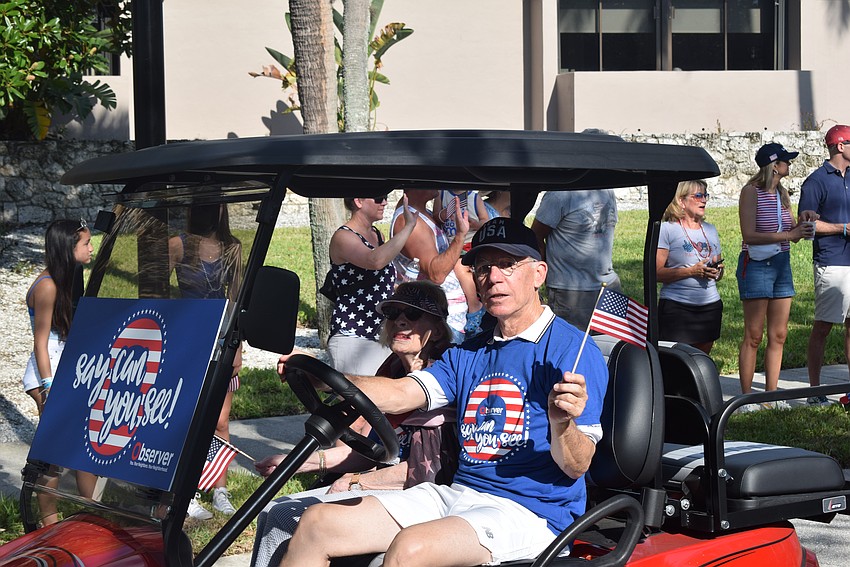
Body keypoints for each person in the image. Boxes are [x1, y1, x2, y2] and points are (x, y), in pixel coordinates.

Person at [279, 217, 608, 567]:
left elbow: (577, 465)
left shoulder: (570, 352)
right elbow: (403, 393)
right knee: (317, 523)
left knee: (412, 549)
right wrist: (327, 377)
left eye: (508, 265)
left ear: (539, 273)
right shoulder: (470, 351)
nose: (493, 277)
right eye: (483, 268)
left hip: (531, 512)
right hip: (459, 495)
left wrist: (562, 425)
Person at [251, 281, 457, 567]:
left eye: (413, 314)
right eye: (393, 312)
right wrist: (300, 462)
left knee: (293, 519)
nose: (400, 320)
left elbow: (427, 469)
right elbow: (372, 449)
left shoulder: (444, 374)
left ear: (436, 325)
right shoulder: (392, 369)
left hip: (422, 493)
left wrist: (359, 482)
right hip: (387, 482)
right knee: (276, 511)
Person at [169, 204, 243, 518]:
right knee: (184, 418)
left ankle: (219, 489)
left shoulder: (233, 247)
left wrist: (238, 343)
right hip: (187, 338)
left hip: (222, 336)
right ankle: (182, 493)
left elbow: (238, 297)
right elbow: (158, 291)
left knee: (220, 420)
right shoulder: (178, 244)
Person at [24, 218, 97, 524]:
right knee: (54, 453)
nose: (92, 247)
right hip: (50, 372)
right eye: (86, 243)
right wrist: (49, 388)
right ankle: (48, 520)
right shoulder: (48, 286)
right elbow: (41, 343)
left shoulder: (69, 277)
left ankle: (93, 509)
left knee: (86, 445)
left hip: (69, 367)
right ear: (68, 249)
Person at [736, 143, 815, 409]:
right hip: (757, 265)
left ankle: (771, 396)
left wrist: (802, 222)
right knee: (754, 334)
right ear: (773, 165)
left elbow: (789, 232)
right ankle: (747, 396)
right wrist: (789, 235)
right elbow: (749, 235)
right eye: (785, 161)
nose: (789, 165)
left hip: (782, 264)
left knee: (779, 334)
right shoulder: (751, 192)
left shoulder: (781, 193)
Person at [320, 194, 417, 375]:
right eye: (379, 198)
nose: (385, 202)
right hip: (353, 336)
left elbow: (378, 281)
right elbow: (375, 261)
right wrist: (409, 227)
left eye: (385, 197)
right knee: (359, 399)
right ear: (358, 201)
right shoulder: (343, 236)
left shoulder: (376, 234)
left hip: (381, 335)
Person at [799, 124, 850, 405]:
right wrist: (842, 228)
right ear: (840, 146)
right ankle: (814, 391)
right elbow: (807, 224)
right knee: (824, 326)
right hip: (832, 262)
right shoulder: (816, 181)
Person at [531, 189, 620, 329]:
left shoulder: (607, 188)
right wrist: (543, 277)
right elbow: (535, 236)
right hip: (570, 292)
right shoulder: (559, 194)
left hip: (610, 286)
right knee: (572, 347)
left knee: (611, 346)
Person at [391, 189, 469, 343]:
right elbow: (436, 275)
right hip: (442, 325)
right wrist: (460, 235)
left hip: (449, 321)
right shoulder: (410, 221)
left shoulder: (418, 212)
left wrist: (441, 217)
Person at [655, 180, 724, 354]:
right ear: (681, 201)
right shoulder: (667, 229)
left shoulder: (710, 229)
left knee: (700, 360)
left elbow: (719, 267)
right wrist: (691, 271)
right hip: (678, 307)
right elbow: (655, 273)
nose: (704, 200)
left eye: (705, 195)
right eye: (698, 195)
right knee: (675, 362)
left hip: (710, 306)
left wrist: (717, 271)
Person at [433, 189, 490, 339]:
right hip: (450, 245)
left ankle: (474, 306)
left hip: (469, 244)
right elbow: (436, 216)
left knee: (460, 266)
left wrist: (476, 224)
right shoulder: (442, 194)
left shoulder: (474, 197)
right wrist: (442, 215)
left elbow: (486, 220)